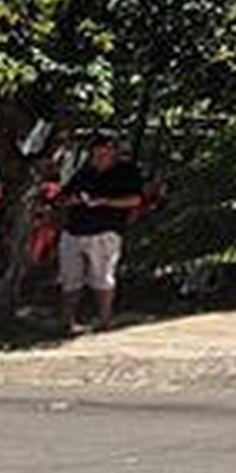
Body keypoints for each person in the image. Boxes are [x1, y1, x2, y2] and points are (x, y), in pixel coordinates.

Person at [50, 135, 151, 334]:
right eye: (97, 152)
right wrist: (73, 201)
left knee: (102, 277)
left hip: (105, 231)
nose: (100, 156)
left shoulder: (126, 172)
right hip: (74, 229)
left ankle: (105, 319)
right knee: (70, 277)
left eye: (105, 152)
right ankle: (67, 321)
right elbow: (62, 198)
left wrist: (104, 201)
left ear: (114, 152)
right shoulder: (84, 173)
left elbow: (135, 200)